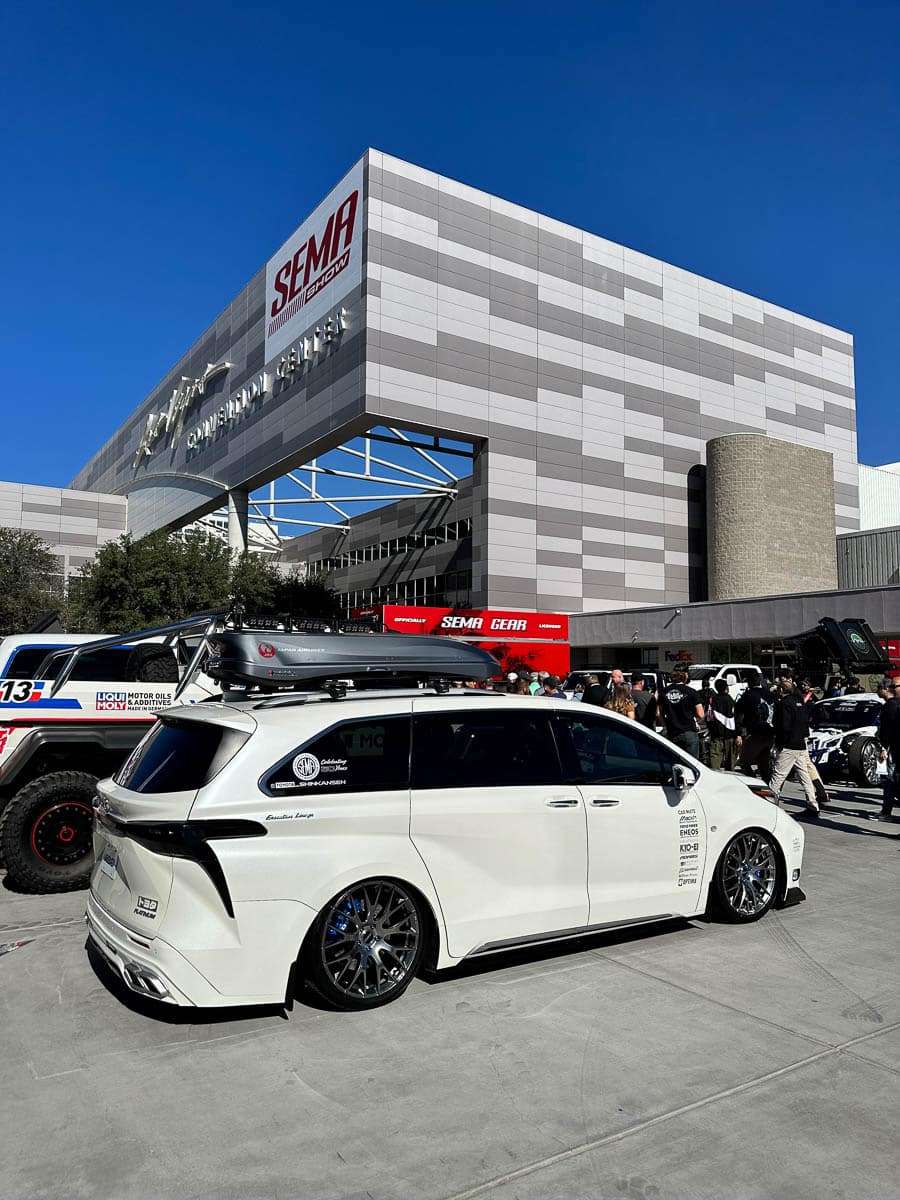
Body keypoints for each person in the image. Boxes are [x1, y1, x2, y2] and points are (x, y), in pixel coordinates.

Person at [768, 680, 819, 815]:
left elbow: (782, 725)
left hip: (788, 745)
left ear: (781, 690)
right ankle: (813, 803)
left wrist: (780, 742)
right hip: (801, 743)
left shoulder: (782, 704)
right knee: (804, 775)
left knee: (778, 776)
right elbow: (804, 723)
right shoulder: (800, 702)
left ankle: (769, 804)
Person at [869, 678, 900, 823]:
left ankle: (886, 810)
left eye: (878, 688)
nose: (876, 692)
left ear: (886, 689)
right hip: (893, 748)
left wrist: (884, 748)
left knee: (888, 779)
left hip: (890, 749)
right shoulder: (894, 705)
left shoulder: (890, 706)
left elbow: (889, 730)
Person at [736, 671, 775, 779]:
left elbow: (738, 713)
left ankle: (754, 782)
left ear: (749, 683)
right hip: (770, 732)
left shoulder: (748, 696)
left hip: (755, 733)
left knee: (744, 761)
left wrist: (739, 731)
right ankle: (767, 784)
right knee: (763, 762)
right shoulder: (770, 694)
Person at [659, 668, 707, 757]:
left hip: (672, 731)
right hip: (689, 731)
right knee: (692, 763)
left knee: (676, 763)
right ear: (685, 677)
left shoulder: (663, 692)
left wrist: (665, 724)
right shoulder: (691, 692)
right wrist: (691, 715)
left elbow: (658, 713)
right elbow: (701, 714)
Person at [707, 679, 739, 770]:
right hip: (730, 734)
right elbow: (737, 718)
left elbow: (709, 718)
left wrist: (711, 730)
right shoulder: (731, 701)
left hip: (717, 735)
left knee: (715, 761)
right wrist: (738, 733)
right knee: (730, 763)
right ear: (726, 688)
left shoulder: (713, 700)